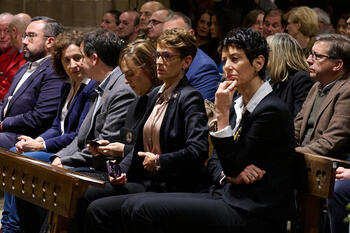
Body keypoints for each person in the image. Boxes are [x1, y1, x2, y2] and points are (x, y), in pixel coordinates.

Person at [120, 27, 295, 233]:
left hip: (253, 210)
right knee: (130, 206)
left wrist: (221, 115)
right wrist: (227, 176)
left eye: (235, 59)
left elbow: (232, 164)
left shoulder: (270, 109)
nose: (227, 67)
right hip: (225, 194)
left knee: (143, 209)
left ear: (258, 63)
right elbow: (217, 162)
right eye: (225, 59)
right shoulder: (237, 102)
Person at [74, 28, 209, 233]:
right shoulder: (155, 94)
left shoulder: (190, 97)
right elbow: (136, 147)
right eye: (158, 55)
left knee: (98, 209)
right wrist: (118, 173)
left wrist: (159, 161)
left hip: (171, 185)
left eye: (167, 56)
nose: (160, 61)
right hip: (146, 180)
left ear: (186, 62)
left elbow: (198, 150)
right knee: (84, 194)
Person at [15, 28, 135, 233]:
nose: (76, 65)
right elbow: (80, 138)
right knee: (32, 174)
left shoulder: (120, 89)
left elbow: (104, 144)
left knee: (52, 178)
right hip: (87, 160)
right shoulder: (102, 87)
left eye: (81, 57)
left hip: (103, 168)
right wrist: (58, 157)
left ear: (94, 58)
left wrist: (64, 162)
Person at [5, 30, 97, 233]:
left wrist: (41, 145)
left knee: (23, 159)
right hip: (58, 145)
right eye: (67, 60)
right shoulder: (67, 87)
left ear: (88, 58)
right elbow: (57, 126)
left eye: (77, 58)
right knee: (16, 151)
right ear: (60, 64)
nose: (73, 65)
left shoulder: (91, 88)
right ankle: (11, 224)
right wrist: (36, 139)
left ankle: (12, 227)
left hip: (72, 153)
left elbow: (77, 134)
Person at [0, 16, 64, 233]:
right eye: (25, 35)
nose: (24, 40)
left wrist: (3, 123)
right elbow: (6, 102)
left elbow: (41, 116)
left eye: (30, 36)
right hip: (10, 130)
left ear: (50, 42)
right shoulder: (26, 66)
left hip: (28, 134)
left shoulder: (53, 71)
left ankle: (10, 226)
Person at [88, 39, 162, 168]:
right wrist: (107, 148)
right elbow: (128, 142)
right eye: (124, 75)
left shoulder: (164, 102)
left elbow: (162, 153)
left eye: (130, 74)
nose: (126, 81)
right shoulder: (136, 103)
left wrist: (124, 150)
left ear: (150, 68)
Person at [294, 34, 350, 160]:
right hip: (302, 158)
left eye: (317, 56)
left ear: (337, 65)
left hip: (326, 167)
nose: (308, 60)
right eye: (310, 54)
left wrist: (292, 154)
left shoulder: (347, 91)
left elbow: (333, 142)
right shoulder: (316, 86)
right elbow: (297, 126)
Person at [163, 12, 221, 102]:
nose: (168, 41)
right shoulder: (161, 60)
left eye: (175, 35)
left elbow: (199, 110)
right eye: (165, 35)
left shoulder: (205, 68)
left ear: (191, 34)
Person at [267, 33, 314, 117]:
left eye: (267, 52)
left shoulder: (301, 79)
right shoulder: (276, 79)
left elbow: (299, 118)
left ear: (278, 55)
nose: (263, 56)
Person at [0, 13, 30, 101]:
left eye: (7, 31)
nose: (2, 36)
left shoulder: (29, 55)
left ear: (14, 32)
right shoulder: (15, 52)